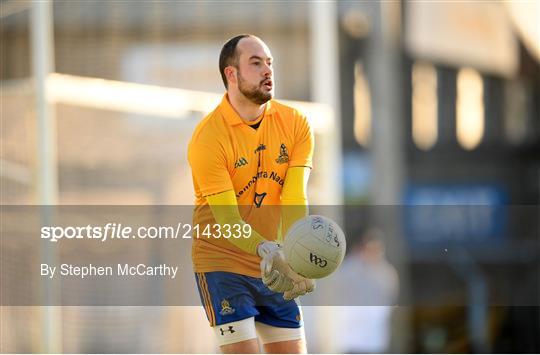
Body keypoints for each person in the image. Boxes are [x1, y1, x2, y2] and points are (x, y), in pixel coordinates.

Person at [187, 34, 315, 354]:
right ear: (232, 74)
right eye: (256, 63)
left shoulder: (296, 123)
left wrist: (295, 254)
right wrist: (267, 249)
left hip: (274, 265)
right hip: (223, 265)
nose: (267, 71)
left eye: (269, 63)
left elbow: (294, 198)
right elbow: (228, 221)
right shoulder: (208, 138)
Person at [333, 229, 399, 353]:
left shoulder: (387, 273)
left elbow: (389, 303)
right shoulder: (348, 269)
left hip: (375, 340)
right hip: (350, 340)